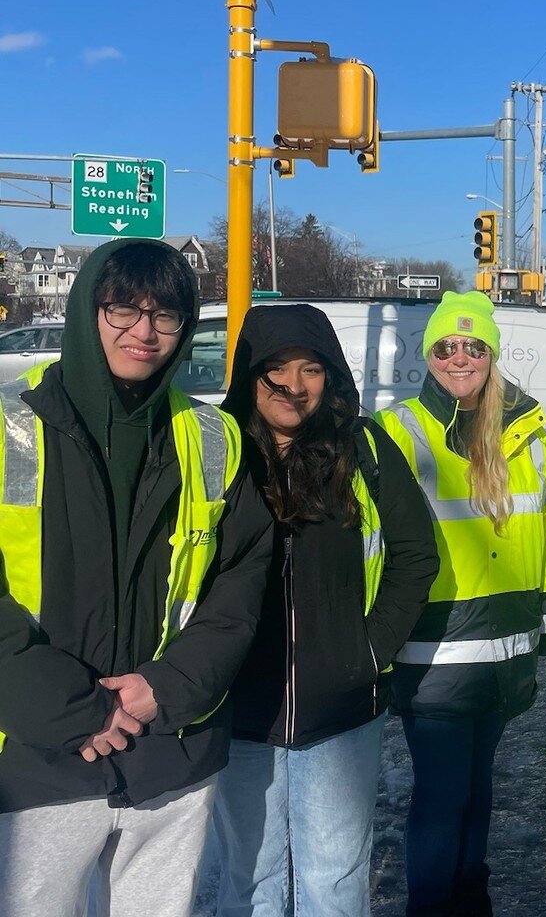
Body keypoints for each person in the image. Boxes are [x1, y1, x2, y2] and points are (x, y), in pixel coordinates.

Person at [0, 238, 274, 917]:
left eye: (167, 315)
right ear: (87, 310)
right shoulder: (10, 430)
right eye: (123, 309)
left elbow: (239, 583)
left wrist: (166, 688)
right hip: (38, 754)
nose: (145, 332)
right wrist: (79, 711)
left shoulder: (213, 438)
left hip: (172, 751)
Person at [213, 304, 439, 917]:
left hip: (339, 707)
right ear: (249, 376)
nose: (295, 385)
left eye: (311, 368)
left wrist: (368, 651)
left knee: (333, 881)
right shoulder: (221, 450)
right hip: (238, 707)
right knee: (248, 879)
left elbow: (417, 554)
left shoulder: (361, 447)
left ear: (332, 374)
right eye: (276, 369)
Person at [375, 290, 546, 917]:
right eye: (446, 347)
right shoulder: (399, 432)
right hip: (434, 648)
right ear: (429, 355)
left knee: (480, 789)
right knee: (441, 795)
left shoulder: (525, 433)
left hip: (507, 646)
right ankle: (431, 907)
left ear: (491, 354)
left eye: (473, 346)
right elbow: (373, 546)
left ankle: (468, 898)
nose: (460, 358)